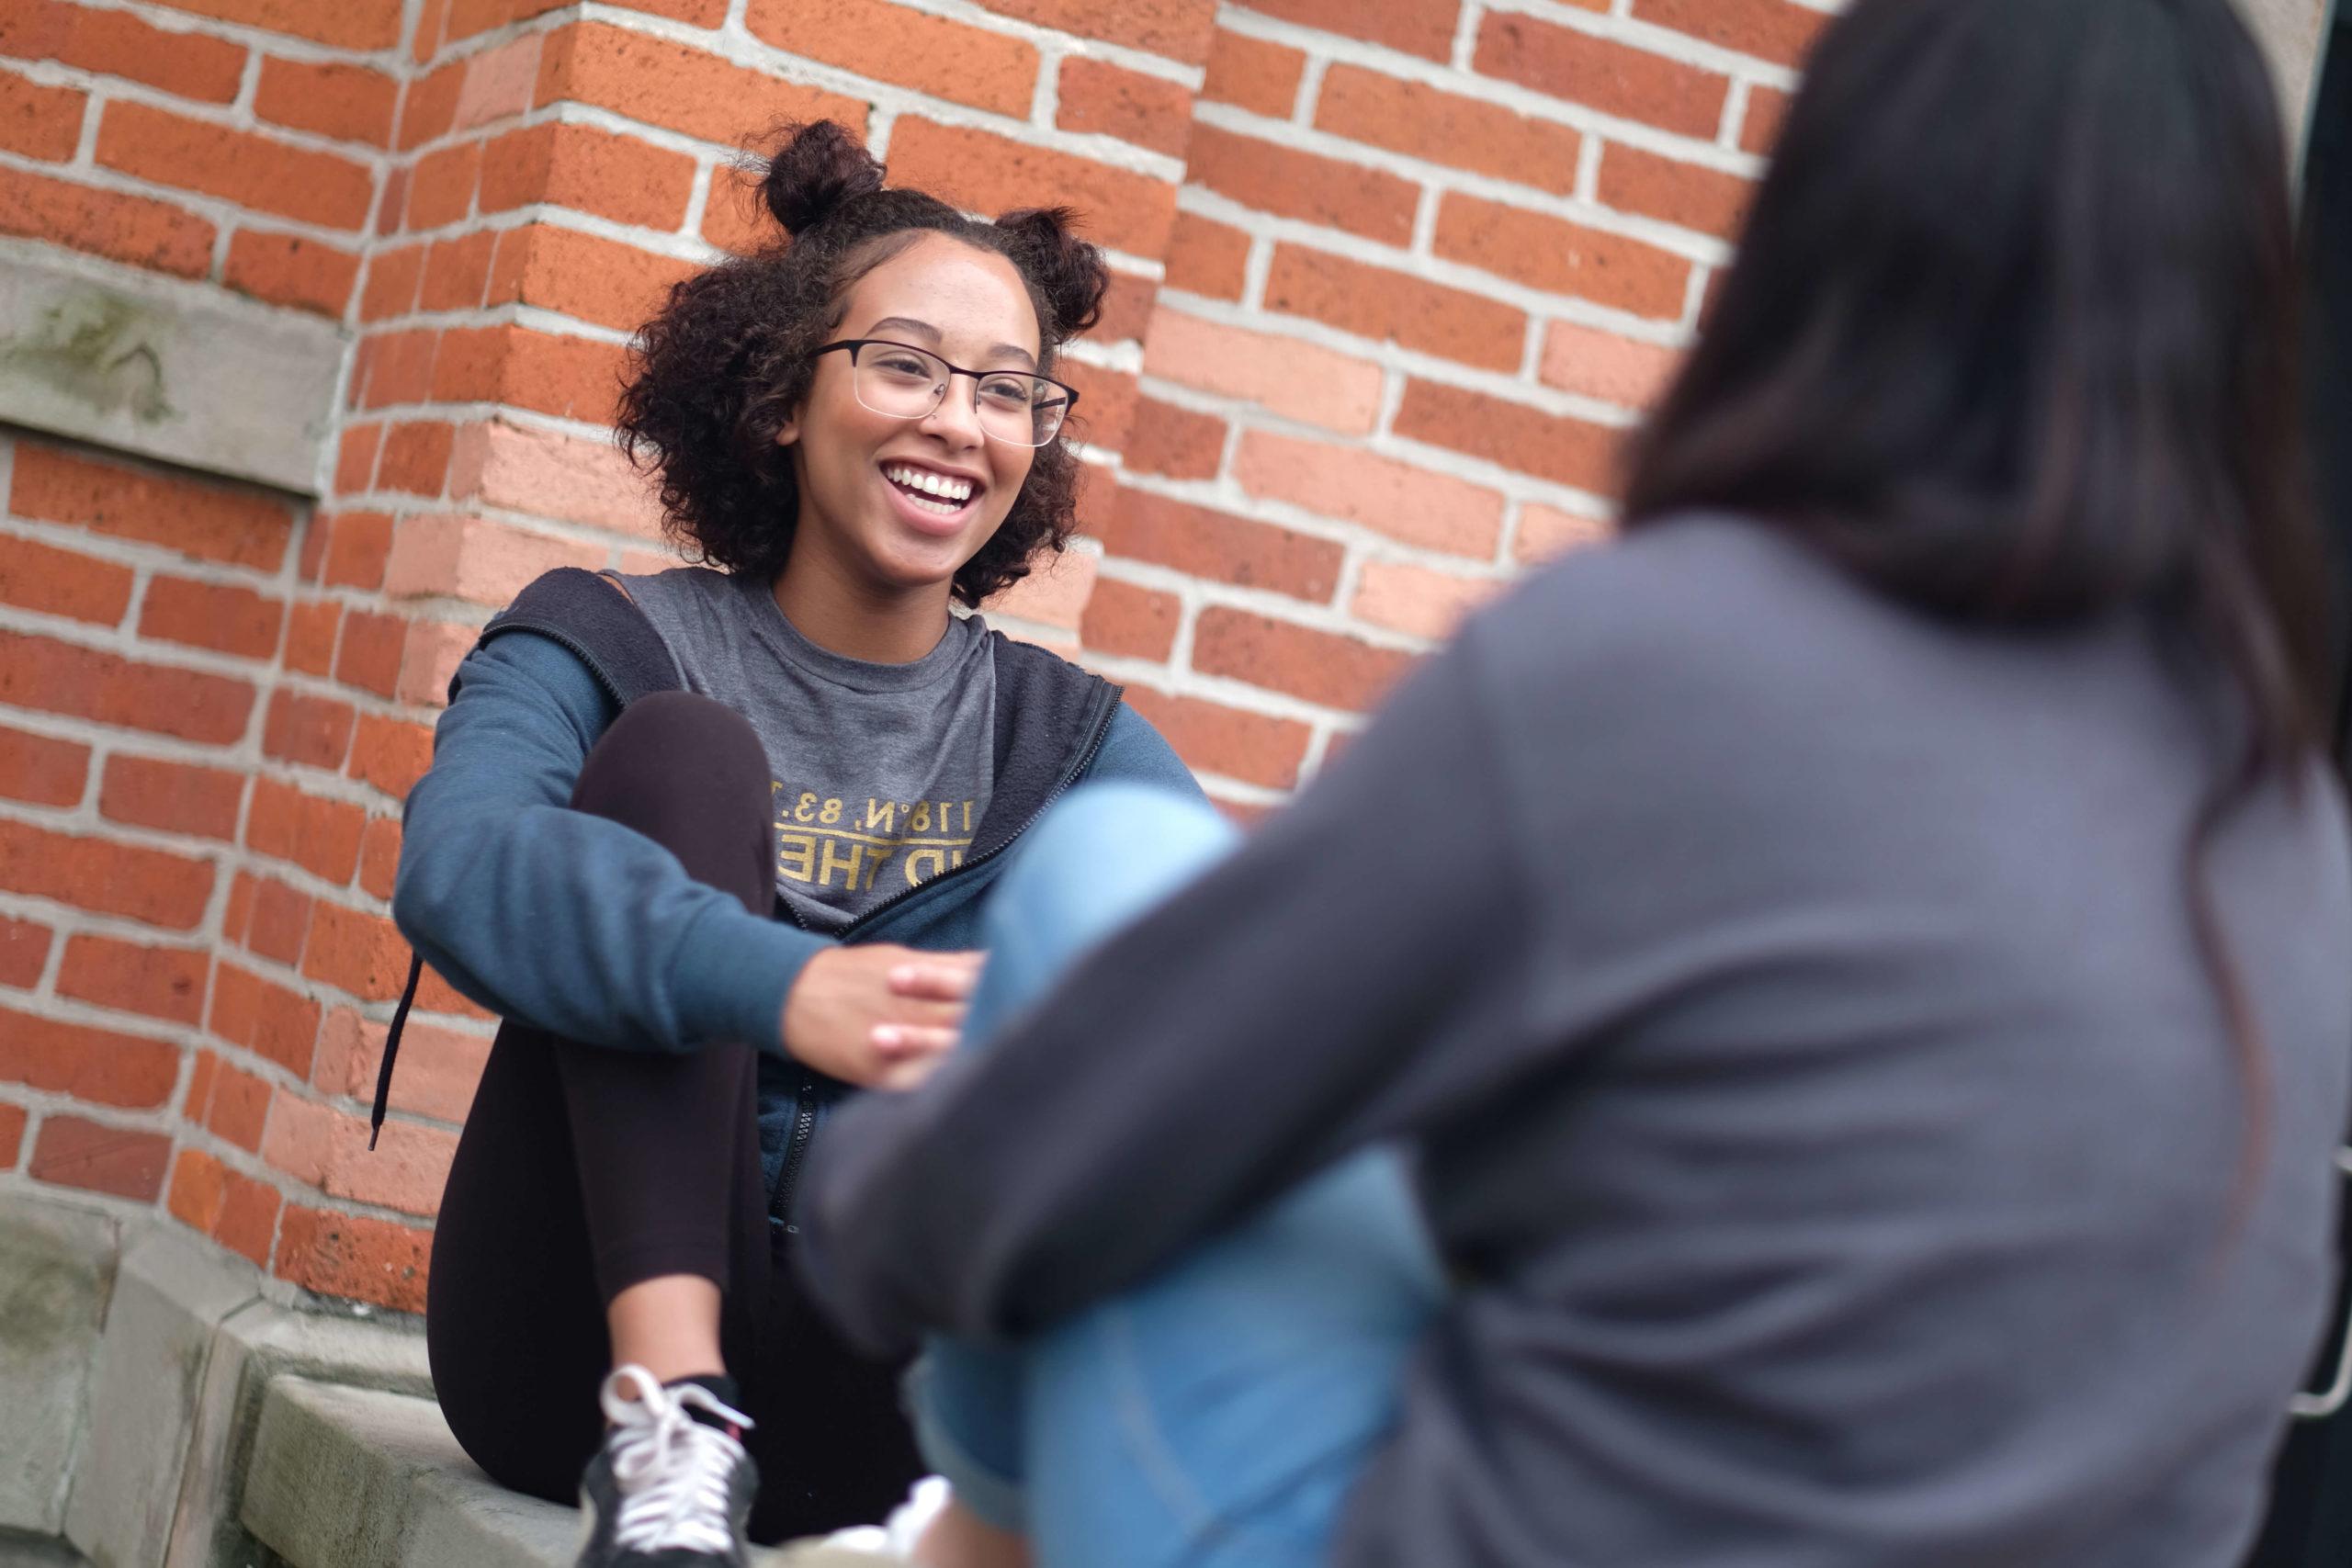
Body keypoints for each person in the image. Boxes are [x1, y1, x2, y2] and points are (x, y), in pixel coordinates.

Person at [786, 1, 2352, 1564]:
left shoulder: (1672, 654)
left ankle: (967, 1543)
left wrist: (867, 1213)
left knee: (1106, 876)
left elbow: (1145, 1098)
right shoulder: (2287, 817)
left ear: (1824, 237)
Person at [385, 120, 1202, 1564]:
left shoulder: (1061, 742)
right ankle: (671, 1421)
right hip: (561, 1349)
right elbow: (461, 868)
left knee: (1145, 898)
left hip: (872, 1383)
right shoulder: (609, 638)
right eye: (906, 365)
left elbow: (1237, 991)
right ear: (779, 395)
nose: (961, 421)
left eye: (1009, 393)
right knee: (690, 762)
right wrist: (776, 985)